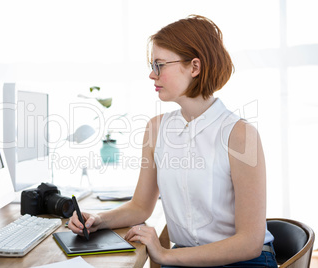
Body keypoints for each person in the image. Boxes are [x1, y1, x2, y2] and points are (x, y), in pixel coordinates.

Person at [68, 14, 277, 267]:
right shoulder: (156, 129)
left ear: (194, 67)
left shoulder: (241, 135)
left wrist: (166, 255)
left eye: (159, 65)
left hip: (242, 261)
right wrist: (98, 220)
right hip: (184, 257)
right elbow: (140, 207)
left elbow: (249, 242)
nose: (151, 75)